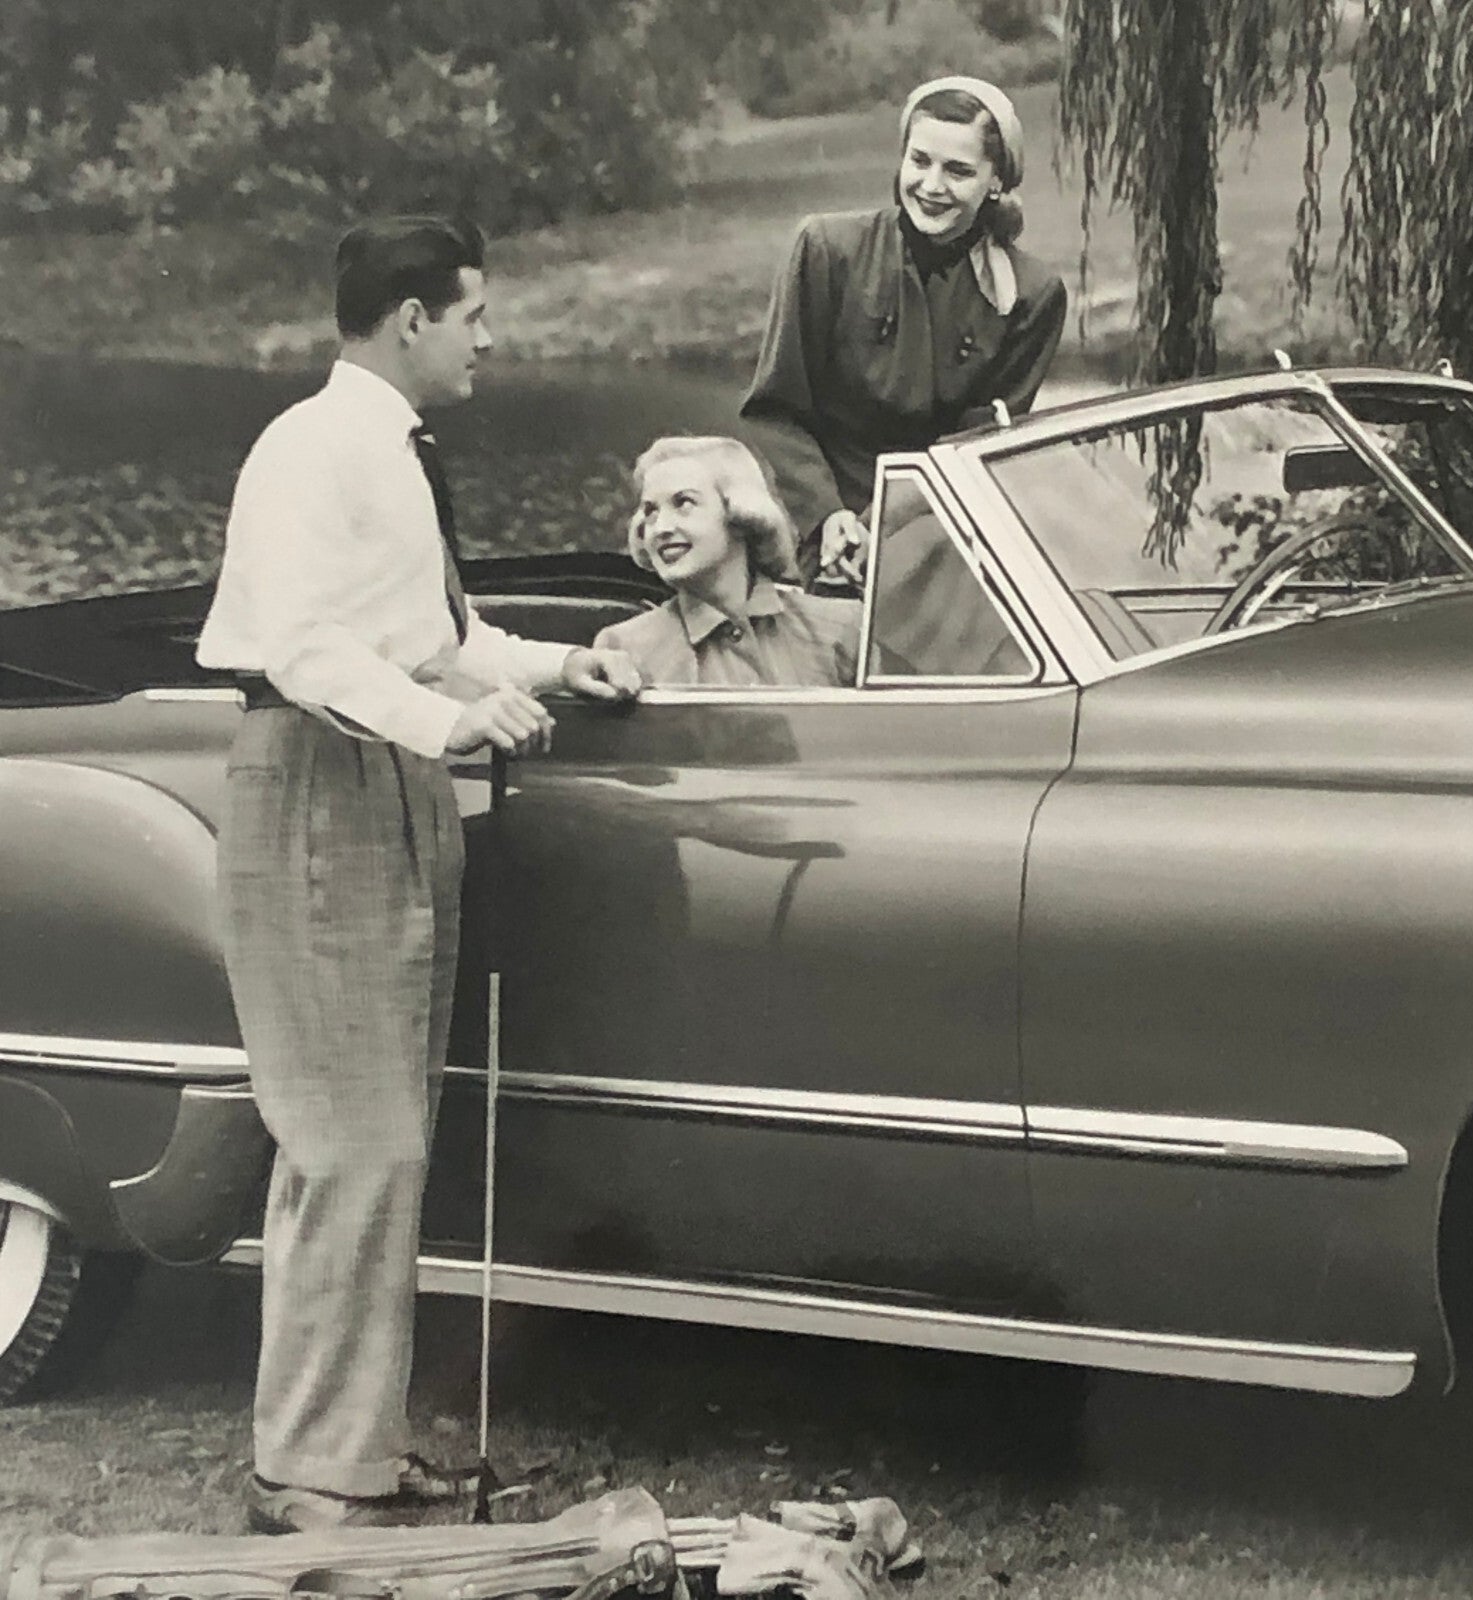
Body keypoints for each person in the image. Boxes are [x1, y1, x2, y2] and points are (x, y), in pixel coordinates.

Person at [195, 214, 641, 1535]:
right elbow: (305, 649)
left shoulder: (390, 453)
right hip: (324, 778)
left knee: (382, 1138)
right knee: (349, 1141)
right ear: (409, 319)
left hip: (385, 778)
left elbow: (439, 641)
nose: (488, 337)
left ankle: (351, 1453)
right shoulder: (309, 449)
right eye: (474, 313)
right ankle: (310, 1475)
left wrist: (564, 669)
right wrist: (451, 726)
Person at [740, 74, 1068, 584]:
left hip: (938, 527)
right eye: (920, 161)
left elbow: (973, 446)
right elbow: (776, 408)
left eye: (958, 171)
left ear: (996, 181)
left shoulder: (1031, 295)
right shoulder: (827, 249)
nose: (932, 186)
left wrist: (882, 528)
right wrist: (829, 519)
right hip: (814, 526)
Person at [593, 435, 861, 688]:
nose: (660, 527)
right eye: (650, 511)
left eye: (684, 503)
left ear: (741, 515)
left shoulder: (841, 629)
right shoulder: (624, 649)